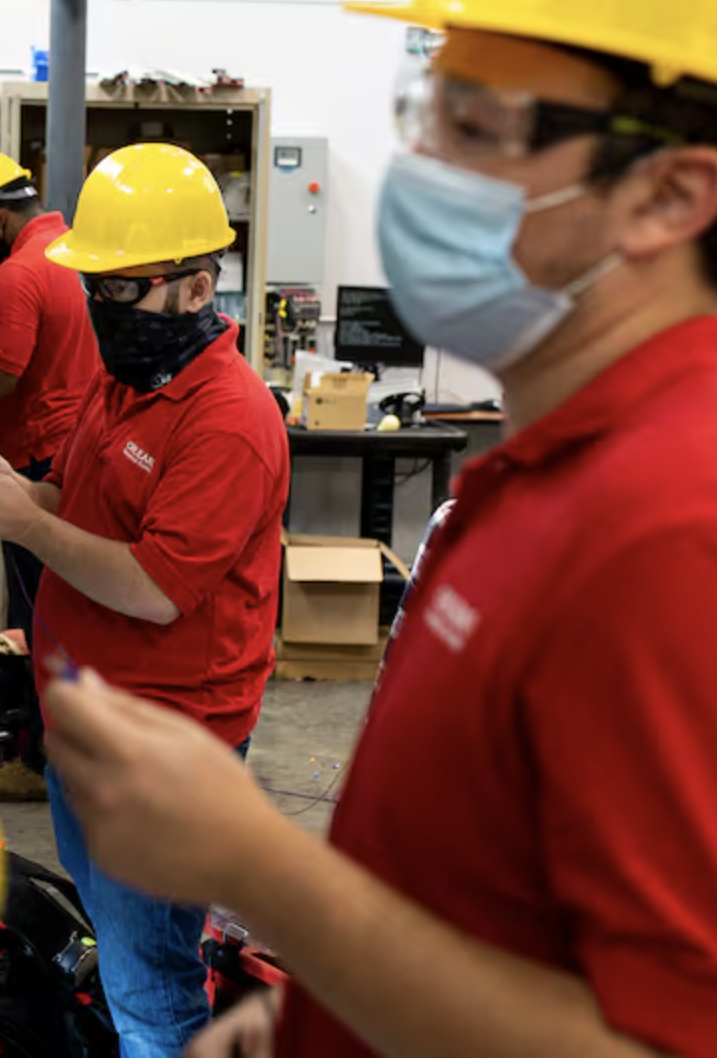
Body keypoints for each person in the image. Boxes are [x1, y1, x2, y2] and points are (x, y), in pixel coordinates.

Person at [39, 6, 717, 1057]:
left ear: (666, 193)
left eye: (477, 129)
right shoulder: (532, 481)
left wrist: (264, 869)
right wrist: (320, 1012)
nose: (420, 170)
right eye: (424, 116)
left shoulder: (668, 527)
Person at [0, 142, 290, 1058]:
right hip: (90, 722)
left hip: (163, 748)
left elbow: (156, 589)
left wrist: (27, 523)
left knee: (150, 982)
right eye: (97, 286)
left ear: (195, 286)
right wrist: (12, 489)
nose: (102, 308)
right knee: (124, 936)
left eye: (122, 289)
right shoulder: (123, 378)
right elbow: (84, 507)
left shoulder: (231, 420)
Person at [0, 150, 101, 640]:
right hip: (88, 451)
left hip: (38, 461)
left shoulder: (17, 274)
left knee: (36, 607)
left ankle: (32, 713)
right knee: (71, 600)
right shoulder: (78, 251)